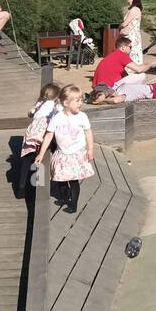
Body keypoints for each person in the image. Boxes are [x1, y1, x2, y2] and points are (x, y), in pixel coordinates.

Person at [33, 84, 94, 214]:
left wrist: (90, 150)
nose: (80, 103)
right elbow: (49, 135)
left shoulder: (82, 116)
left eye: (81, 100)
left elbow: (88, 133)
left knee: (73, 180)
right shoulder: (57, 118)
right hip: (62, 153)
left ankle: (73, 204)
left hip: (77, 153)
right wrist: (41, 153)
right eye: (77, 100)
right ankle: (64, 196)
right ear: (66, 103)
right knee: (60, 177)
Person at [19, 82, 60, 199]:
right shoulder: (55, 106)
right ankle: (37, 188)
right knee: (40, 160)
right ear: (57, 96)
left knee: (27, 161)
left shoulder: (39, 104)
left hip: (31, 134)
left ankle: (21, 188)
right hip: (42, 135)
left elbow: (30, 114)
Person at [89, 37, 147, 101]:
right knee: (142, 75)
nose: (131, 49)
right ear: (123, 48)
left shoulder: (112, 56)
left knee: (133, 78)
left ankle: (104, 96)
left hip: (98, 88)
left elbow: (125, 76)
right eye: (130, 47)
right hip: (109, 87)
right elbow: (139, 69)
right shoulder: (121, 54)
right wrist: (153, 64)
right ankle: (114, 95)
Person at [122, 0, 144, 65]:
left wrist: (120, 26)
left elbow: (125, 24)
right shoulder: (136, 9)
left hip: (131, 36)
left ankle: (131, 72)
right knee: (133, 55)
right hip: (134, 36)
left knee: (131, 55)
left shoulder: (134, 9)